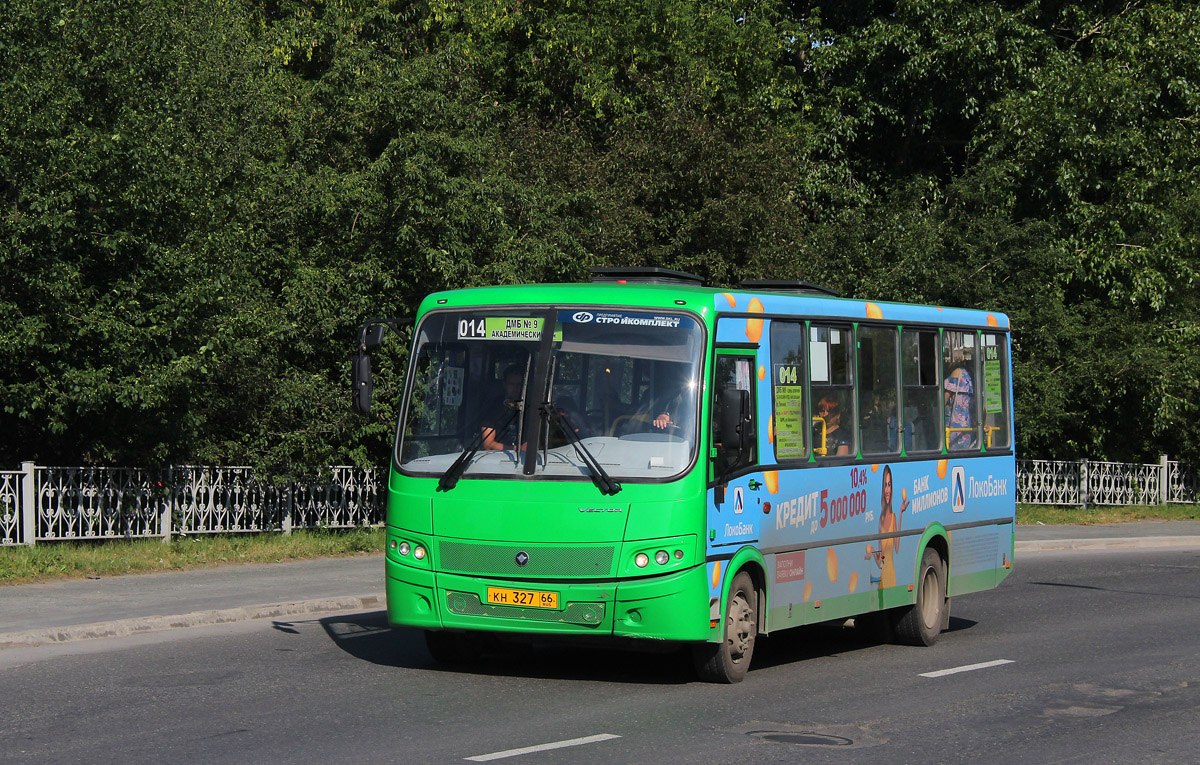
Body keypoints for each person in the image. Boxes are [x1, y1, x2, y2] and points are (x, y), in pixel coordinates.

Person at [868, 465, 909, 588]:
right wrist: (872, 551)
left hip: (891, 575)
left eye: (889, 485)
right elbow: (880, 561)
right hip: (883, 577)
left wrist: (901, 513)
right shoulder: (880, 520)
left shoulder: (894, 516)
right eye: (885, 485)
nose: (887, 490)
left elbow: (896, 547)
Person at [481, 364, 525, 451]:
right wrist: (517, 449)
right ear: (504, 384)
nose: (516, 389)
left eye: (519, 385)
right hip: (498, 458)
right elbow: (488, 444)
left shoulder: (532, 409)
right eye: (512, 385)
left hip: (527, 462)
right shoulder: (493, 408)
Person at [943, 364, 975, 450]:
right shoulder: (972, 377)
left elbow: (944, 399)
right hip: (967, 428)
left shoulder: (957, 373)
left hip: (953, 427)